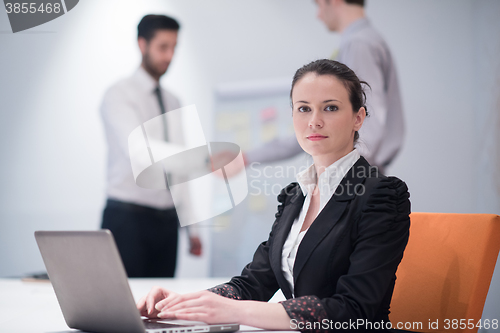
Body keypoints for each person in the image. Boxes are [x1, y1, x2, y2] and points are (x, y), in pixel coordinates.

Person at [137, 59, 411, 331]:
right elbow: (254, 283)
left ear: (358, 118)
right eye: (304, 109)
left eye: (330, 108)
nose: (314, 121)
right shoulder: (295, 196)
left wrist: (236, 310)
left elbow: (354, 310)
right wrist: (185, 302)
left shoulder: (382, 195)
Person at [243, 0, 404, 174]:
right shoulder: (361, 42)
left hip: (354, 178)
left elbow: (369, 124)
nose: (318, 15)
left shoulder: (359, 45)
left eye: (319, 5)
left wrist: (346, 177)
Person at [100, 14, 201, 278]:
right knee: (123, 305)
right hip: (127, 218)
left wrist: (192, 226)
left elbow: (180, 169)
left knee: (160, 306)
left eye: (174, 48)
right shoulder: (119, 95)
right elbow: (139, 152)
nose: (169, 56)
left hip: (167, 222)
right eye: (162, 47)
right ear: (142, 44)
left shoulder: (173, 101)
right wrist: (199, 159)